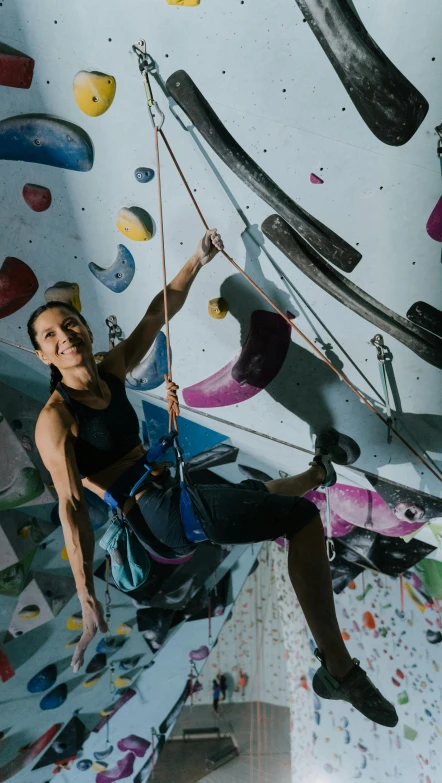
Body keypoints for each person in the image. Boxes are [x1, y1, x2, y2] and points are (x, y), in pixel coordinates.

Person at [28, 229, 398, 729]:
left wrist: (197, 260)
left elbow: (158, 312)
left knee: (251, 496)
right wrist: (87, 599)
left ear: (87, 330)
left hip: (171, 494)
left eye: (68, 324)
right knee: (302, 519)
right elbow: (71, 510)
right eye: (50, 336)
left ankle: (318, 469)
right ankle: (339, 669)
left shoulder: (109, 369)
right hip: (157, 514)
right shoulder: (55, 419)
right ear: (43, 357)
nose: (64, 336)